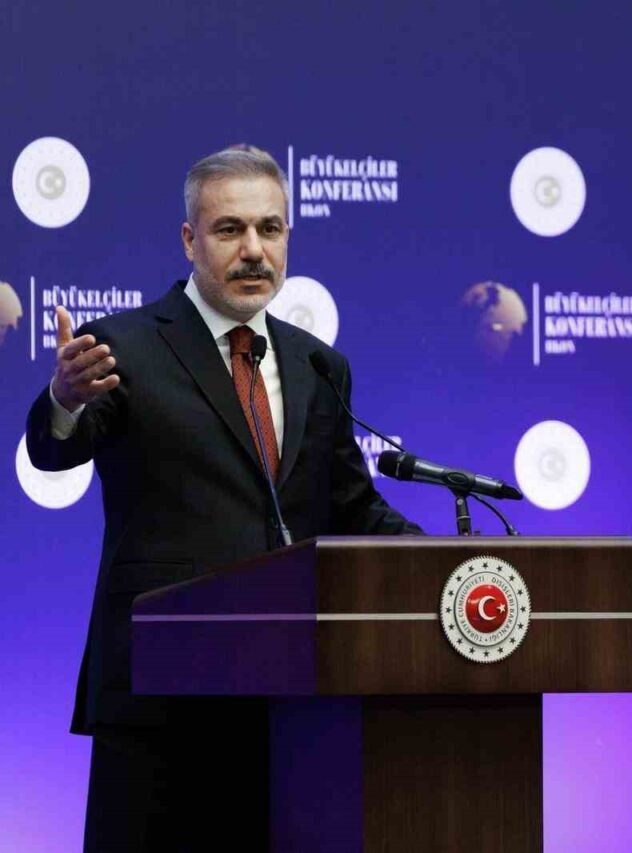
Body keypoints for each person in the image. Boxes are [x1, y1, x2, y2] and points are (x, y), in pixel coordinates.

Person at [24, 144, 422, 851]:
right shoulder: (122, 347)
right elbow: (58, 448)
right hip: (159, 699)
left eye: (270, 229)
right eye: (230, 229)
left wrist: (446, 563)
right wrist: (63, 399)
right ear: (189, 239)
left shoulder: (317, 364)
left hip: (292, 700)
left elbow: (353, 507)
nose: (254, 251)